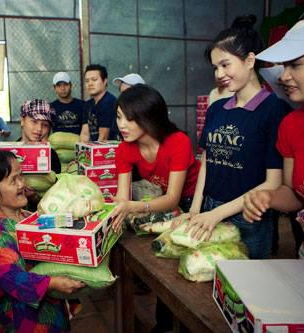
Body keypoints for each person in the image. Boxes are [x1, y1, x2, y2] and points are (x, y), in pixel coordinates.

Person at [183, 15, 290, 261]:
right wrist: (196, 208)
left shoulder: (273, 109)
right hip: (208, 210)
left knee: (245, 292)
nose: (219, 73)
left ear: (250, 60)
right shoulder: (216, 109)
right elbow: (206, 161)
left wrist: (217, 214)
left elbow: (273, 183)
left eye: (225, 64)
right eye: (215, 67)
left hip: (248, 218)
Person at [243, 1, 304, 276]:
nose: (284, 76)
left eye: (296, 64)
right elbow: (295, 194)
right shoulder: (292, 126)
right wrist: (267, 198)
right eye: (284, 65)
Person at [109, 84, 200, 333]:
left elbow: (173, 198)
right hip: (160, 199)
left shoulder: (178, 142)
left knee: (187, 265)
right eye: (118, 117)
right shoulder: (125, 148)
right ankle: (164, 324)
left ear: (149, 117)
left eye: (129, 118)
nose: (122, 125)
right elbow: (122, 196)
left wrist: (133, 207)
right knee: (165, 264)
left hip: (194, 202)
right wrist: (112, 213)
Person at [0, 150, 85, 333]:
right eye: (14, 180)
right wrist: (53, 283)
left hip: (53, 312)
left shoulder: (28, 216)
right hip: (27, 323)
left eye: (21, 176)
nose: (22, 183)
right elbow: (14, 279)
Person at [81, 64, 118, 141]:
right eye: (87, 81)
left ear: (105, 81)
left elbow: (103, 137)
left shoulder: (109, 102)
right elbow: (85, 133)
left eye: (94, 79)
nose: (90, 84)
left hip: (108, 150)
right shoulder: (88, 104)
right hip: (94, 147)